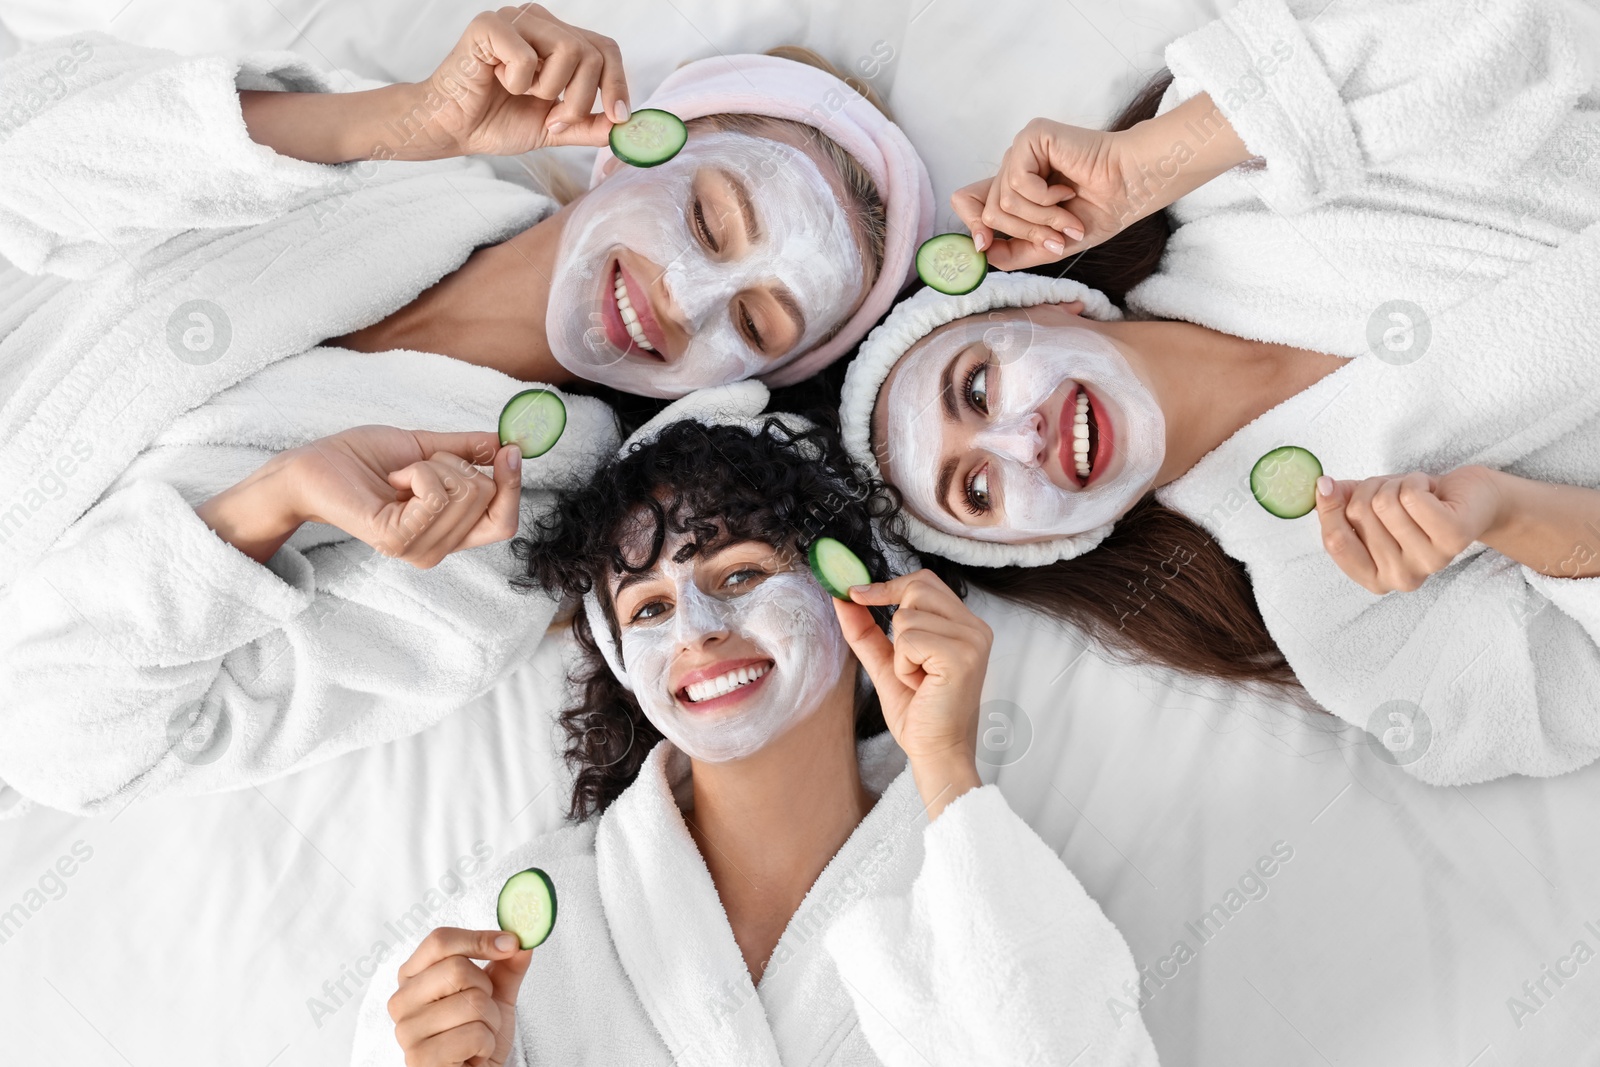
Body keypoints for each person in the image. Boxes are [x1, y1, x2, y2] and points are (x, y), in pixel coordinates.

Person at [0, 5, 934, 816]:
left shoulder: (500, 554)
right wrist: (395, 123)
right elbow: (25, 169)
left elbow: (61, 740)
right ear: (638, 140)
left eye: (752, 321)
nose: (682, 300)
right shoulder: (405, 169)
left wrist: (267, 507)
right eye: (707, 221)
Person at [838, 0, 1600, 785]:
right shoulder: (1325, 602)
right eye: (976, 489)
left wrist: (1151, 162)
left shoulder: (1227, 179)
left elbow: (1517, 30)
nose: (1018, 440)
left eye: (977, 388)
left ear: (1043, 301)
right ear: (1052, 544)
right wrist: (1510, 514)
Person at [347, 389, 1160, 1066]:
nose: (696, 630)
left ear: (860, 591)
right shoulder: (516, 937)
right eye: (652, 609)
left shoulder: (967, 888)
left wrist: (947, 765)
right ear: (627, 666)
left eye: (739, 574)